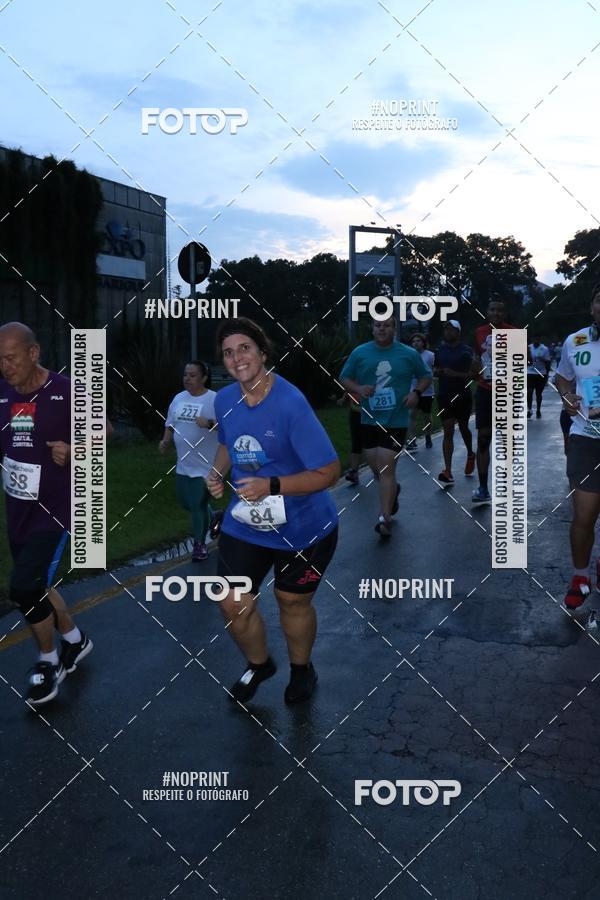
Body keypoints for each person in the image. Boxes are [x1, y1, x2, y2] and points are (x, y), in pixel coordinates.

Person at [206, 318, 340, 705]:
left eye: (244, 348)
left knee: (291, 600)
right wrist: (217, 472)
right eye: (228, 352)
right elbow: (229, 444)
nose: (236, 358)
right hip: (247, 523)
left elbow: (329, 472)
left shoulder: (290, 403)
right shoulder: (225, 399)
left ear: (263, 353)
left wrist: (272, 485)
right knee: (232, 600)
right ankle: (259, 663)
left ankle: (302, 670)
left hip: (305, 527)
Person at [0, 322, 93, 706]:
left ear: (33, 352)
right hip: (17, 510)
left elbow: (101, 430)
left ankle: (47, 661)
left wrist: (75, 449)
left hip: (55, 511)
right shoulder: (2, 393)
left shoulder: (65, 390)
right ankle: (76, 641)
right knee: (36, 583)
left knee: (24, 587)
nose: (5, 366)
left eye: (11, 358)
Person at [340, 316, 432, 537]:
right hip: (369, 420)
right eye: (378, 325)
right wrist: (359, 388)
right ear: (372, 329)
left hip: (396, 420)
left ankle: (384, 518)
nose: (382, 329)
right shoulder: (360, 352)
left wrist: (415, 393)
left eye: (387, 325)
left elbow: (426, 376)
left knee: (386, 467)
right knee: (375, 468)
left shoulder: (408, 353)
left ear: (394, 329)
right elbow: (344, 377)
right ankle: (393, 491)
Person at [555, 284, 600, 610]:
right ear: (592, 307)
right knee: (585, 513)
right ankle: (580, 576)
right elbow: (563, 377)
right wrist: (567, 395)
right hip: (586, 437)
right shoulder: (576, 340)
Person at [159, 361, 218, 561]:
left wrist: (209, 423)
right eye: (185, 375)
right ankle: (214, 517)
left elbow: (229, 426)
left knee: (196, 504)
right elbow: (170, 423)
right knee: (186, 502)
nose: (188, 379)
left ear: (203, 378)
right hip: (184, 463)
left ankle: (200, 545)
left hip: (206, 464)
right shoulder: (179, 398)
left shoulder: (214, 400)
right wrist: (165, 441)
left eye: (193, 375)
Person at [471, 298, 514, 505]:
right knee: (483, 439)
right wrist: (476, 367)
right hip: (485, 391)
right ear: (487, 312)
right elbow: (477, 360)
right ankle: (483, 487)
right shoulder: (479, 332)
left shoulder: (514, 332)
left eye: (499, 310)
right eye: (492, 310)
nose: (495, 313)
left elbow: (525, 361)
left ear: (504, 314)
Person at [433, 320, 476, 487]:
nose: (448, 332)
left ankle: (470, 453)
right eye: (446, 329)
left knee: (464, 428)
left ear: (458, 331)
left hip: (462, 394)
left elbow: (473, 375)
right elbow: (435, 369)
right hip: (444, 394)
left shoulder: (467, 351)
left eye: (451, 329)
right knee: (448, 430)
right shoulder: (439, 350)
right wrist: (438, 371)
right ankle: (448, 471)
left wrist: (454, 374)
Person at [406, 333, 435, 450]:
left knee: (426, 416)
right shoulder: (409, 355)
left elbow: (433, 371)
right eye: (413, 341)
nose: (416, 343)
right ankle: (412, 440)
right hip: (412, 390)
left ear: (423, 342)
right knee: (411, 415)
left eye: (418, 341)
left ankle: (428, 436)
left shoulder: (430, 355)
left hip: (427, 392)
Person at [337, 390, 363, 485]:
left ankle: (379, 469)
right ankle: (353, 472)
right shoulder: (351, 376)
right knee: (356, 441)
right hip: (355, 412)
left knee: (371, 442)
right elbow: (348, 387)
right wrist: (343, 399)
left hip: (370, 410)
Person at [527, 336, 551, 418]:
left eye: (537, 339)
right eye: (534, 339)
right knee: (529, 392)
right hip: (529, 372)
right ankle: (529, 409)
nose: (536, 341)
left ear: (539, 340)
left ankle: (538, 410)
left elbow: (548, 362)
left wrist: (547, 374)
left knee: (538, 393)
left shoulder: (544, 349)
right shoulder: (528, 348)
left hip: (541, 373)